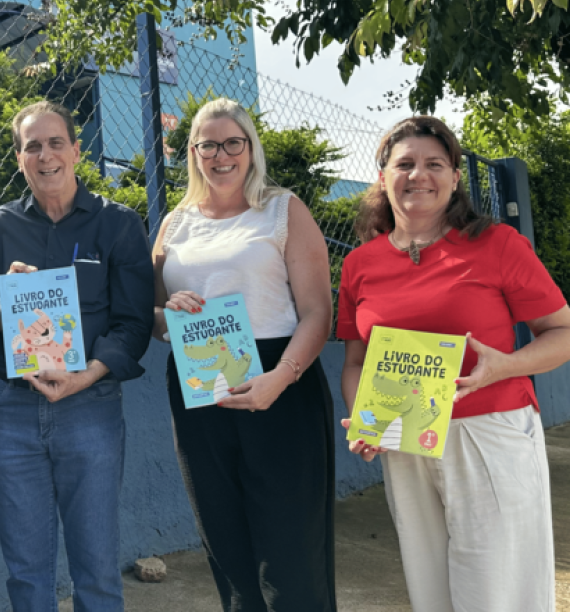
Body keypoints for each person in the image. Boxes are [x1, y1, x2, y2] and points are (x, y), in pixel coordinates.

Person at [339, 115, 570, 612]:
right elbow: (355, 361)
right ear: (383, 176)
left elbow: (562, 333)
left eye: (434, 164)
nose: (418, 174)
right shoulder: (361, 264)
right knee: (430, 590)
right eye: (405, 164)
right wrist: (366, 418)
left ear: (455, 177)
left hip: (488, 430)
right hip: (406, 438)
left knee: (497, 591)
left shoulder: (497, 245)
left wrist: (505, 366)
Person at [0, 100, 154, 611]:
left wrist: (88, 375)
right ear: (19, 157)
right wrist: (7, 297)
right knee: (27, 575)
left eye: (55, 143)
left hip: (89, 407)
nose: (45, 155)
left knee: (96, 571)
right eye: (32, 146)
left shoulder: (118, 225)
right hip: (13, 411)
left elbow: (134, 322)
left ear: (76, 150)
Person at [152, 98, 336, 612]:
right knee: (227, 549)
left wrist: (280, 378)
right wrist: (171, 314)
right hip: (200, 383)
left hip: (282, 381)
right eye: (207, 144)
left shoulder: (283, 208)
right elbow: (153, 315)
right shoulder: (175, 224)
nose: (221, 154)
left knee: (292, 556)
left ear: (251, 148)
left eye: (233, 142)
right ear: (192, 153)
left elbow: (318, 312)